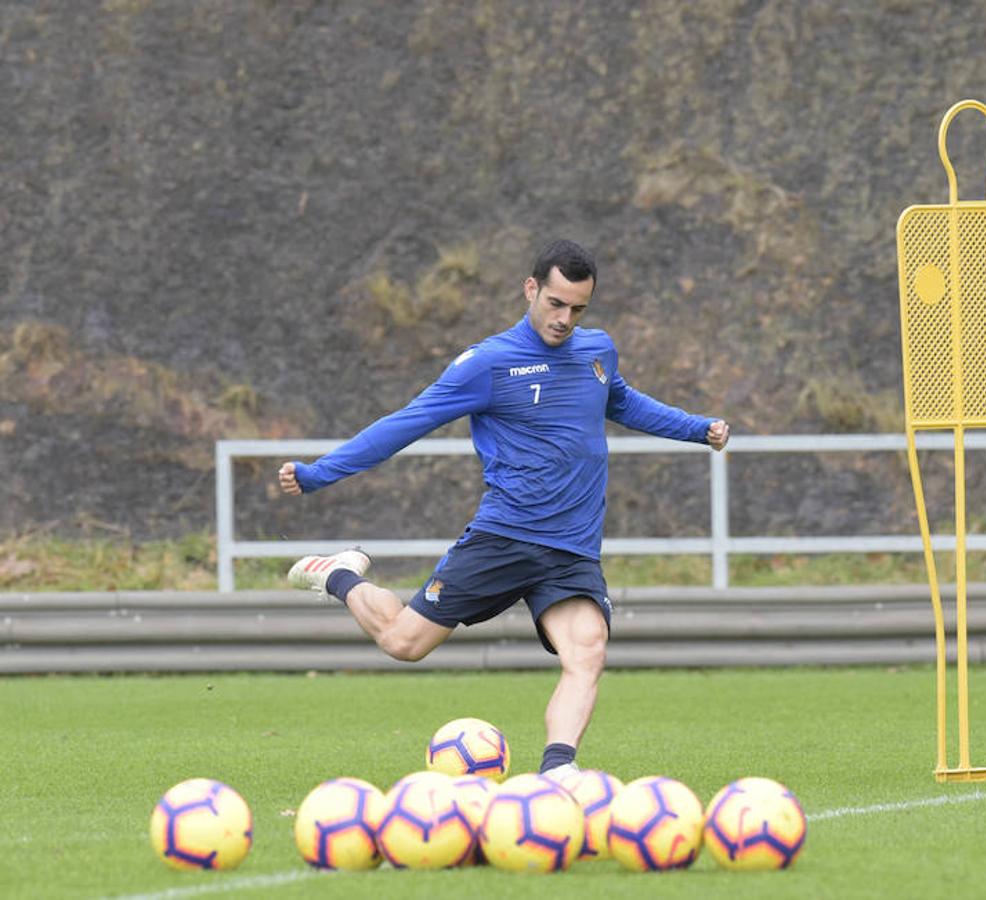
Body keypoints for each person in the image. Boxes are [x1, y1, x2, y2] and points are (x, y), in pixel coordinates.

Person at [278, 238, 729, 780]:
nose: (565, 319)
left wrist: (696, 428)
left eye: (578, 309)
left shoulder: (597, 352)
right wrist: (318, 472)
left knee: (587, 652)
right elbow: (404, 423)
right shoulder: (487, 365)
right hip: (506, 537)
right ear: (531, 288)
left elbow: (624, 402)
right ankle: (340, 576)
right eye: (555, 303)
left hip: (572, 548)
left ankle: (558, 772)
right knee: (404, 643)